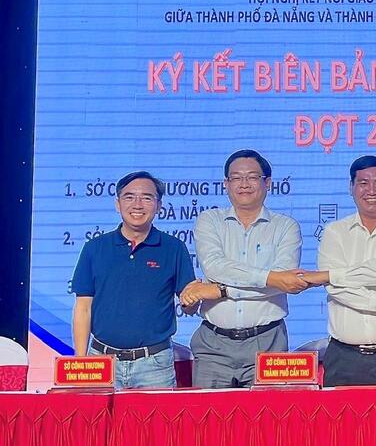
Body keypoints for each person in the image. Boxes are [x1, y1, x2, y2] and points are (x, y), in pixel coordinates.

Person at [181, 149, 306, 388]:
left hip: (268, 342)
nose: (244, 184)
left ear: (267, 183)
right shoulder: (210, 220)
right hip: (213, 345)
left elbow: (283, 283)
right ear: (226, 184)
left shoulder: (286, 227)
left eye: (252, 177)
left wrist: (220, 291)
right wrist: (268, 278)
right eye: (236, 178)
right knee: (209, 413)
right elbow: (216, 268)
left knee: (269, 413)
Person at [300, 155, 376, 386]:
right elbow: (336, 290)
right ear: (351, 187)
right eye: (363, 183)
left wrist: (329, 275)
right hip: (343, 357)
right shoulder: (335, 232)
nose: (371, 190)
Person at [71, 171, 195, 389]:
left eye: (147, 198)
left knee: (157, 414)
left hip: (155, 365)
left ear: (159, 206)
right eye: (129, 197)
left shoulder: (174, 248)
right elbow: (83, 308)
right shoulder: (95, 248)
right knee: (95, 414)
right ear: (117, 204)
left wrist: (192, 300)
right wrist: (81, 361)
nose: (137, 204)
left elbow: (189, 306)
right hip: (101, 361)